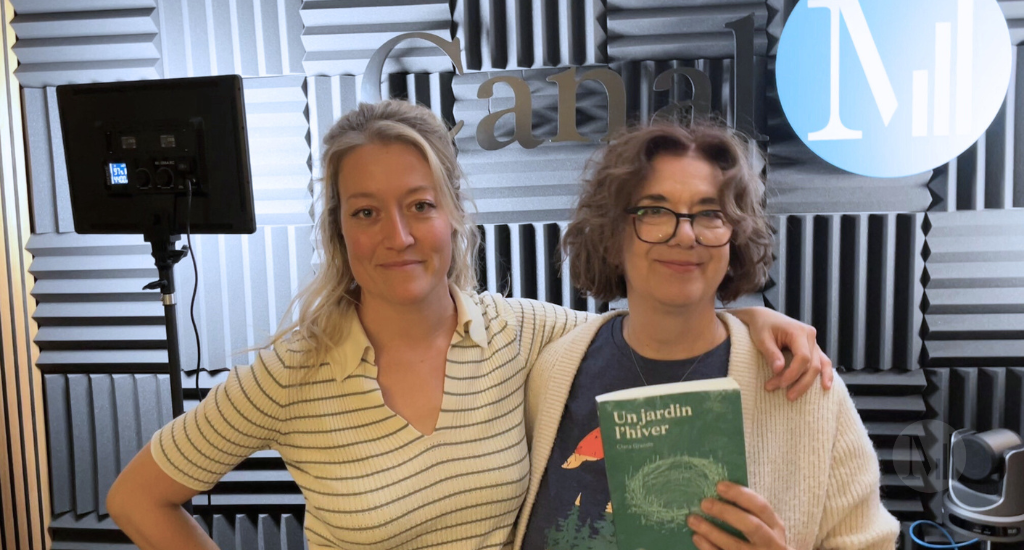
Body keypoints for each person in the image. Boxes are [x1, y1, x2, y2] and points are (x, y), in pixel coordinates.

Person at [106, 101, 833, 550]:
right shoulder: (292, 372)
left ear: (453, 214)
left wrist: (745, 315)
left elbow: (648, 320)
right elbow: (136, 499)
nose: (397, 235)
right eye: (366, 212)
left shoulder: (527, 337)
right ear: (340, 230)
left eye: (419, 205)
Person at [516, 120, 899, 550]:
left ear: (733, 236)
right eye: (654, 210)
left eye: (709, 213)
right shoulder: (552, 372)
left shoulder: (805, 388)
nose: (685, 234)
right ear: (611, 235)